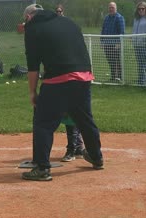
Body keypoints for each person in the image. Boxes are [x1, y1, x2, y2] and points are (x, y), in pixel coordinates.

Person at [22, 4, 104, 181]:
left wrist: (32, 92)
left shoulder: (33, 28)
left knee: (43, 123)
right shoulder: (68, 22)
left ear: (29, 17)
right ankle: (97, 158)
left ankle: (42, 168)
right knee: (84, 119)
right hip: (84, 76)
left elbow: (33, 66)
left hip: (58, 79)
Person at [53, 4, 86, 162]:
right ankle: (78, 146)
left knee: (72, 116)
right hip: (72, 79)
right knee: (72, 116)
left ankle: (72, 149)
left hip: (73, 80)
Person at [132, 2, 146, 86]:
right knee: (139, 63)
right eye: (139, 9)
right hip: (136, 44)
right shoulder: (136, 19)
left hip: (145, 44)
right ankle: (141, 80)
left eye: (142, 9)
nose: (141, 10)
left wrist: (144, 36)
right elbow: (134, 30)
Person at [101, 2, 125, 82]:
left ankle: (119, 78)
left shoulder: (119, 18)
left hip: (115, 44)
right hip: (107, 44)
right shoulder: (106, 18)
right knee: (110, 61)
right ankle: (113, 76)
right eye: (110, 7)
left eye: (112, 7)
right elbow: (103, 30)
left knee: (117, 60)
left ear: (116, 8)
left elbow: (121, 31)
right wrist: (102, 42)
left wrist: (118, 43)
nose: (111, 9)